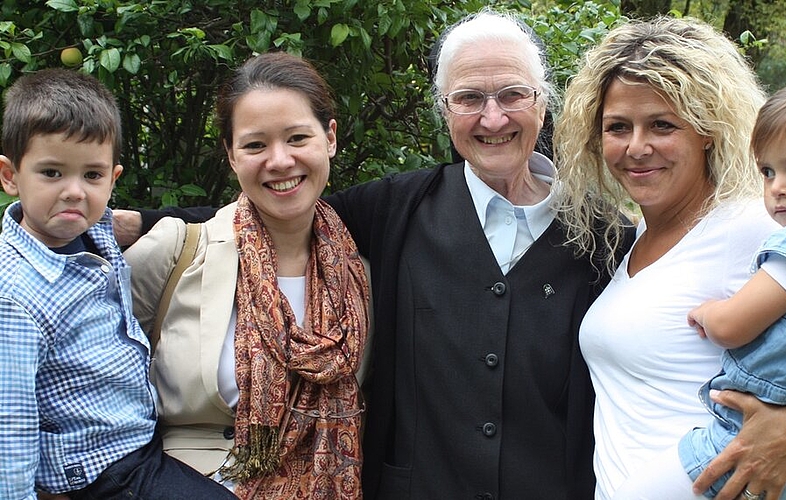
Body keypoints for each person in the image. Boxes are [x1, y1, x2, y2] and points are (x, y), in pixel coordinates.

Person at [115, 9, 621, 499]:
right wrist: (133, 220)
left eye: (513, 94)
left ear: (543, 102)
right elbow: (282, 205)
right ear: (444, 110)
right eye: (468, 97)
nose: (493, 117)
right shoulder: (397, 209)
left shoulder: (604, 238)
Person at [554, 16, 786, 500]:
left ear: (706, 130)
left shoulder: (765, 226)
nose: (636, 147)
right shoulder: (631, 238)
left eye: (661, 125)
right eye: (617, 127)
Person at [123, 53, 370, 499]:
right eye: (255, 145)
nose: (280, 161)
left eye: (297, 137)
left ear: (329, 138)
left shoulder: (361, 276)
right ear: (231, 154)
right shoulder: (176, 251)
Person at [0, 69, 235, 500]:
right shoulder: (15, 292)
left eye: (92, 175)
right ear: (10, 175)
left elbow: (208, 219)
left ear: (114, 178)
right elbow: (8, 421)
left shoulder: (96, 232)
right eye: (51, 172)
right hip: (99, 470)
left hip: (137, 440)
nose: (74, 191)